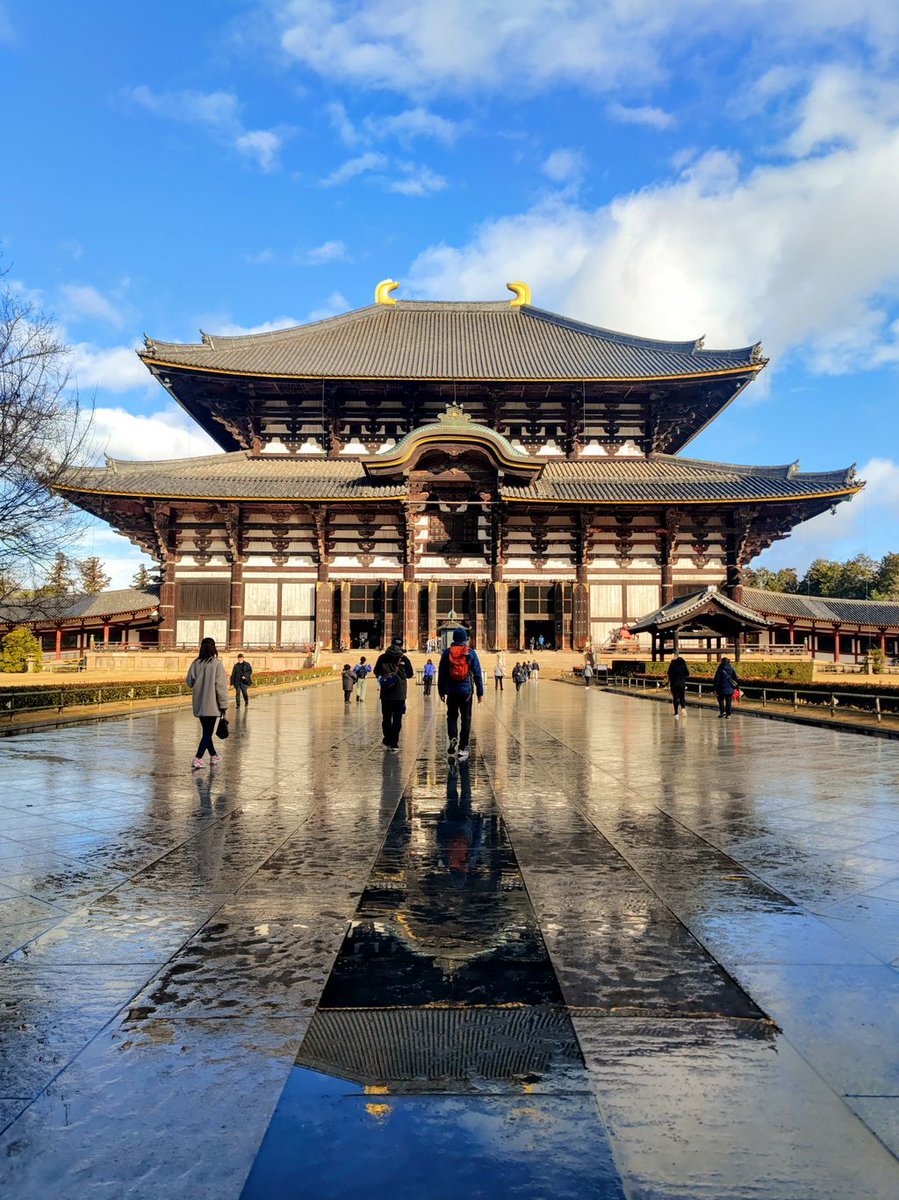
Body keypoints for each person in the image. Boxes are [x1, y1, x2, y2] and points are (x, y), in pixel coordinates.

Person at [437, 627, 484, 761]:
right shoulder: (470, 653)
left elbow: (442, 673)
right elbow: (477, 673)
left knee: (451, 716)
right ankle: (463, 748)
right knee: (466, 719)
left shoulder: (447, 653)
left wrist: (441, 690)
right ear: (465, 639)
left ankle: (453, 737)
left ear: (454, 638)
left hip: (452, 691)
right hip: (466, 692)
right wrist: (480, 692)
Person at [186, 637, 229, 770]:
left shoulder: (195, 663)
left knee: (206, 732)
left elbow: (189, 682)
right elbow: (220, 687)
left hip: (200, 704)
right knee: (207, 733)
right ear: (214, 648)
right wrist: (224, 705)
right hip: (212, 705)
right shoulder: (217, 664)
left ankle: (214, 755)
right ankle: (197, 758)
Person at [373, 636, 415, 751]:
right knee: (397, 718)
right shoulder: (404, 659)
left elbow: (376, 671)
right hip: (400, 693)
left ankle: (387, 738)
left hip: (386, 692)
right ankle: (394, 742)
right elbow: (410, 674)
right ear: (401, 646)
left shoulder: (382, 657)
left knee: (386, 717)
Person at [667, 654, 690, 720]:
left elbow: (668, 673)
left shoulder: (672, 664)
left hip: (674, 684)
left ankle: (676, 713)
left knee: (675, 698)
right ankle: (683, 708)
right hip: (682, 684)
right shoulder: (683, 664)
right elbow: (687, 673)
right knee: (682, 697)